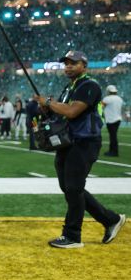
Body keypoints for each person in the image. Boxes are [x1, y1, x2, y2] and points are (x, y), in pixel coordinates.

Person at [35, 51, 126, 248]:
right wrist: (47, 108)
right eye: (66, 63)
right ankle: (110, 219)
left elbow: (72, 111)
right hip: (69, 142)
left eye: (73, 63)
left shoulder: (89, 85)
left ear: (84, 66)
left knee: (74, 188)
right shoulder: (70, 87)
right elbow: (61, 110)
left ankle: (72, 235)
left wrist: (49, 103)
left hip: (85, 142)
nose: (68, 67)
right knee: (69, 188)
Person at [102, 84, 123, 157]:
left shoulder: (107, 99)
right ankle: (112, 150)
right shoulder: (119, 98)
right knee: (113, 136)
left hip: (111, 119)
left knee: (112, 136)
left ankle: (114, 152)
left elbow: (101, 106)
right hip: (118, 119)